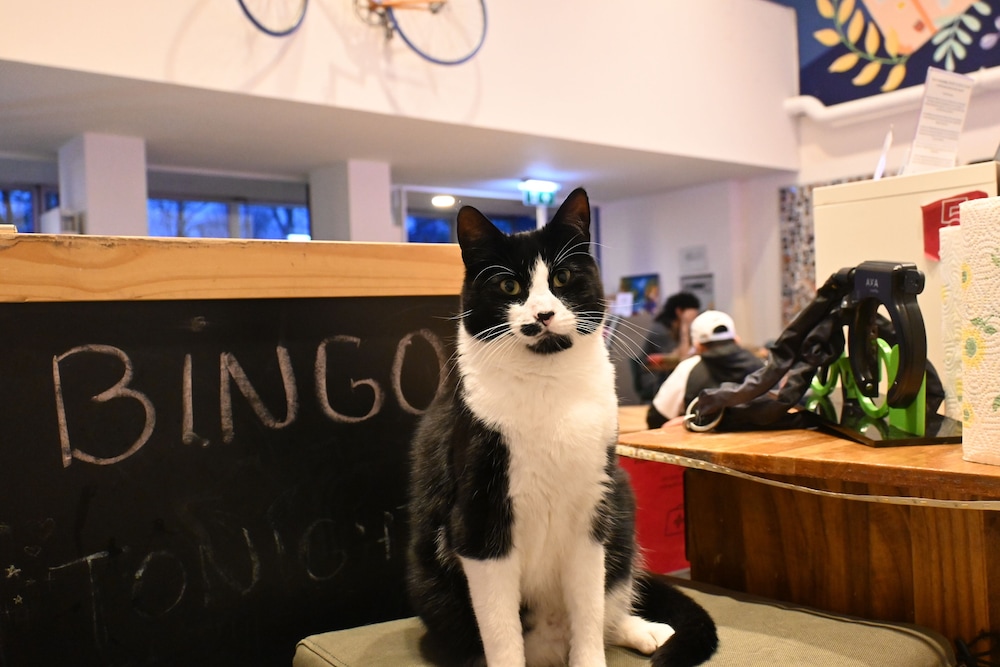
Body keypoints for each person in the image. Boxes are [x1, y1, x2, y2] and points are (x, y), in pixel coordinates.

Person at [646, 309, 764, 429]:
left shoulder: (689, 367)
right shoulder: (760, 365)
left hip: (701, 438)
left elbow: (656, 418)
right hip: (757, 439)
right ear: (736, 340)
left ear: (698, 346)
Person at [632, 291, 701, 402]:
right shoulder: (661, 330)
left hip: (667, 375)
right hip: (654, 380)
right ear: (679, 312)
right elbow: (682, 358)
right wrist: (685, 326)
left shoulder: (674, 329)